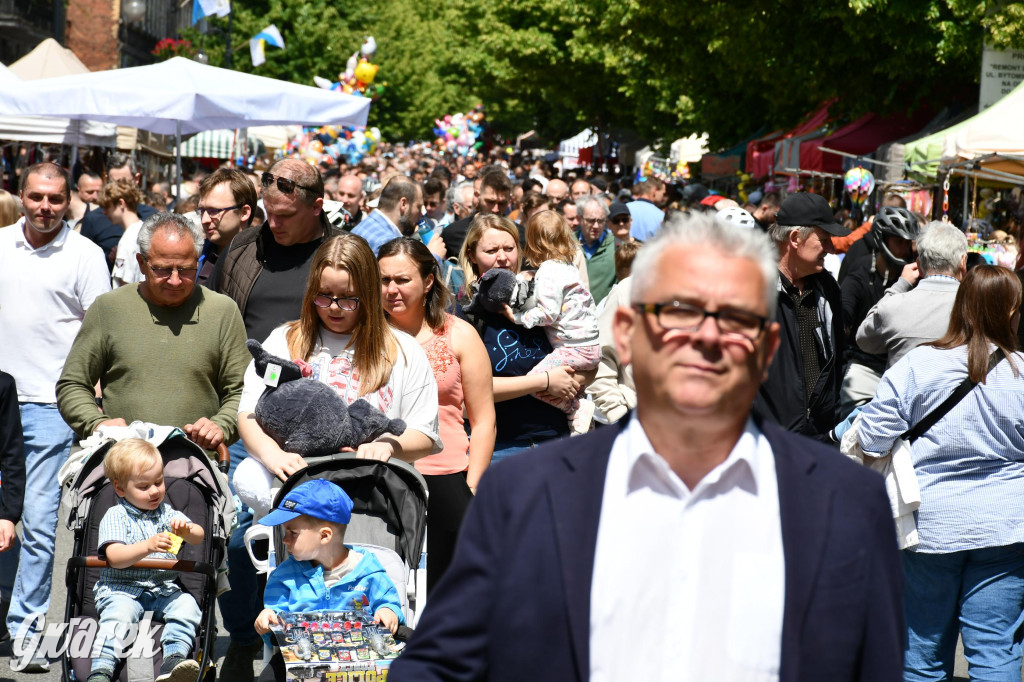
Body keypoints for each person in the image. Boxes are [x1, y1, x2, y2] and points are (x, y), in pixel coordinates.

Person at [392, 213, 903, 681]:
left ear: (767, 346)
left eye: (735, 318)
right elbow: (440, 666)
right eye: (678, 311)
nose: (705, 337)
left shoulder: (845, 503)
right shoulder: (525, 496)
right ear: (628, 331)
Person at [210, 158, 347, 675]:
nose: (274, 221)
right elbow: (220, 323)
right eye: (267, 210)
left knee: (313, 531)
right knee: (247, 528)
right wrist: (226, 411)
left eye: (285, 214)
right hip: (255, 411)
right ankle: (245, 634)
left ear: (317, 206)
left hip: (322, 415)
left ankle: (306, 639)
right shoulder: (244, 247)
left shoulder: (338, 254)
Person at [857, 265, 1024, 681]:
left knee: (923, 654)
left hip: (931, 528)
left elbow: (873, 439)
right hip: (1007, 526)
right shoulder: (1022, 372)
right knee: (996, 651)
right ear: (1010, 313)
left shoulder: (919, 366)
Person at [233, 234, 441, 514]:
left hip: (370, 500)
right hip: (294, 497)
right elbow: (248, 413)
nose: (333, 307)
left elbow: (424, 433)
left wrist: (388, 446)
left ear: (367, 293)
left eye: (347, 299)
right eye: (324, 296)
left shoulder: (403, 350)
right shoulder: (282, 341)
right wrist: (273, 455)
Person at [0, 163, 110, 672]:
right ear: (20, 196)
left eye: (55, 199)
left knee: (39, 522)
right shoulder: (1, 244)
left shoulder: (85, 255)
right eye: (37, 197)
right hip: (1, 397)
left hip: (48, 403)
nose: (45, 207)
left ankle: (24, 631)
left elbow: (100, 331)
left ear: (69, 202)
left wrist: (95, 402)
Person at [56, 212, 248, 450]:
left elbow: (241, 391)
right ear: (141, 263)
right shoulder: (108, 308)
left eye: (186, 270)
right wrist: (96, 424)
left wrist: (221, 425)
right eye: (163, 270)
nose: (175, 280)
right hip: (123, 464)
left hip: (195, 466)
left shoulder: (222, 311)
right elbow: (72, 384)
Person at [378, 237, 495, 593]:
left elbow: (483, 419)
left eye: (402, 280)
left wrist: (472, 483)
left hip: (446, 476)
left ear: (428, 281)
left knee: (449, 591)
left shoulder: (459, 335)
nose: (391, 290)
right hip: (379, 476)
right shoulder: (365, 336)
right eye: (384, 281)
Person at [457, 215, 577, 461]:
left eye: (509, 248)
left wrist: (578, 377)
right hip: (500, 447)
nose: (502, 257)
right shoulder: (466, 312)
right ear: (471, 255)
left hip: (557, 440)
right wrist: (543, 382)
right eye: (491, 250)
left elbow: (583, 354)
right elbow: (466, 392)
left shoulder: (542, 299)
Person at [86, 439, 205, 682]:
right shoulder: (116, 515)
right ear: (120, 489)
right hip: (122, 589)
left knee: (187, 607)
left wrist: (187, 530)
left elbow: (199, 537)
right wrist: (147, 546)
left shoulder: (167, 512)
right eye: (144, 486)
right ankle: (102, 668)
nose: (154, 491)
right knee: (117, 617)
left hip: (163, 589)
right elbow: (115, 558)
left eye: (159, 482)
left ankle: (174, 659)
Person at [254, 480, 403, 640]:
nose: (285, 540)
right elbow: (277, 613)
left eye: (293, 532)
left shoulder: (367, 571)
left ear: (324, 536)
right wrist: (270, 617)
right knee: (272, 666)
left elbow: (386, 600)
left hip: (359, 657)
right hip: (302, 657)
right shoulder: (284, 576)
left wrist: (387, 611)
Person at [753, 192, 849, 441]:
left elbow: (837, 360)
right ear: (795, 239)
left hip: (818, 436)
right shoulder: (753, 288)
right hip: (767, 436)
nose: (830, 249)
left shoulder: (827, 287)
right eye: (824, 240)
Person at [508, 211, 600, 435]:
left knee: (535, 383)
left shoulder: (548, 272)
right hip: (590, 346)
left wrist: (517, 318)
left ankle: (575, 407)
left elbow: (547, 313)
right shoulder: (567, 267)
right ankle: (577, 411)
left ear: (532, 242)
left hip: (573, 348)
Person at [838, 206, 920, 417]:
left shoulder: (918, 278)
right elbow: (843, 314)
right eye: (898, 241)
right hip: (863, 366)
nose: (904, 249)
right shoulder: (860, 273)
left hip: (903, 369)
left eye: (907, 243)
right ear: (882, 238)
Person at [856, 221, 967, 369]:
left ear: (919, 265)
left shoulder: (894, 306)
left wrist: (900, 285)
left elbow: (864, 340)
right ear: (963, 262)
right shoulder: (976, 307)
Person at [79, 153, 157, 269]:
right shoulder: (93, 219)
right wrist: (109, 258)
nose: (118, 188)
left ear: (137, 179)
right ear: (106, 180)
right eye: (113, 183)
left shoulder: (154, 217)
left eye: (124, 182)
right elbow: (83, 263)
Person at [195, 168, 257, 286]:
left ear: (244, 212)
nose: (204, 220)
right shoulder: (195, 256)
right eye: (202, 211)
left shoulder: (261, 262)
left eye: (214, 211)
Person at [442, 168, 511, 258]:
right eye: (490, 202)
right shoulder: (453, 234)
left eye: (502, 203)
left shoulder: (520, 235)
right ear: (478, 196)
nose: (496, 209)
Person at [352, 175, 424, 255]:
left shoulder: (363, 225)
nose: (421, 213)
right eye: (418, 207)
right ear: (403, 204)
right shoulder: (388, 243)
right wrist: (435, 256)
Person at [100, 180, 144, 287]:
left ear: (121, 203)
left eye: (107, 206)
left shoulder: (128, 240)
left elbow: (125, 286)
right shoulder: (143, 229)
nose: (104, 212)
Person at [576, 195, 616, 305]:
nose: (596, 226)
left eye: (601, 221)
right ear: (579, 219)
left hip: (605, 315)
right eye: (590, 220)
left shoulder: (616, 245)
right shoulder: (569, 244)